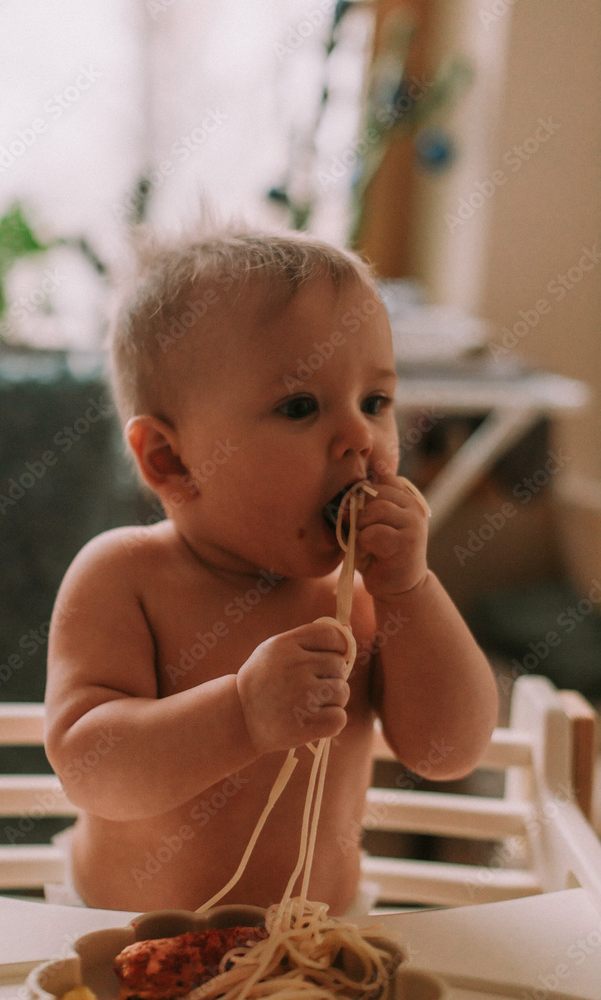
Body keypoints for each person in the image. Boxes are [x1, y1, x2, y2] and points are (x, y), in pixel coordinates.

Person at [44, 226, 498, 914]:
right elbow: (89, 767)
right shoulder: (124, 577)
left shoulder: (370, 594)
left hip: (318, 942)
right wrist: (241, 715)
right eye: (299, 406)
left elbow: (448, 751)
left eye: (376, 402)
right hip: (127, 944)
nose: (360, 437)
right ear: (169, 459)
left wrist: (412, 588)